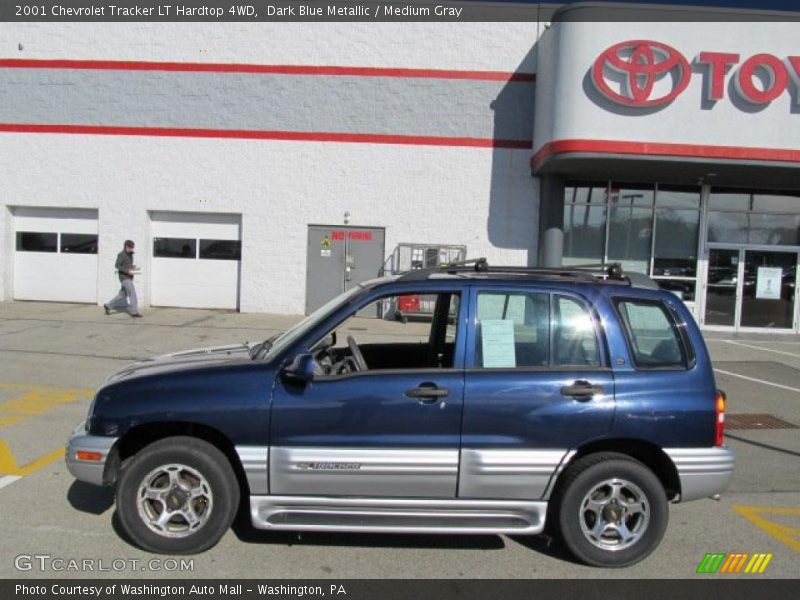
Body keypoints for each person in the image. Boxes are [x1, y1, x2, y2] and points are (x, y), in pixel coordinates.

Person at [104, 240, 142, 318]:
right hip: (124, 278)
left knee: (122, 295)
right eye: (130, 247)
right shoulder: (121, 255)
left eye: (132, 247)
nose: (132, 249)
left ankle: (108, 306)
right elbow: (117, 265)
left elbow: (127, 265)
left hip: (129, 277)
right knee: (132, 293)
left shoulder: (130, 255)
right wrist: (126, 271)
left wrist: (134, 269)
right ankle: (134, 312)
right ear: (126, 246)